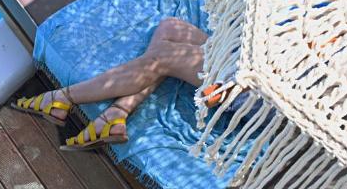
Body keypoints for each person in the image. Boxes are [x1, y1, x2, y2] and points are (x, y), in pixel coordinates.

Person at [12, 17, 224, 151]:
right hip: (235, 56)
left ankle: (62, 98)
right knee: (170, 27)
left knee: (163, 56)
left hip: (238, 81)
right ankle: (116, 114)